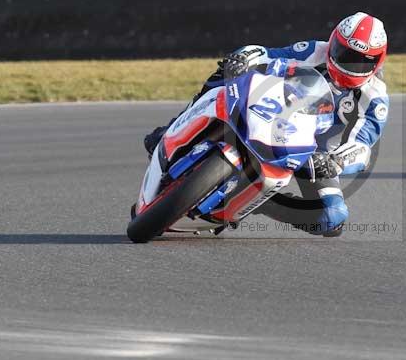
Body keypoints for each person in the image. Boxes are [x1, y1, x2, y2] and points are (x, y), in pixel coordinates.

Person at [144, 12, 390, 237]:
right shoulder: (316, 51)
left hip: (314, 155)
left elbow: (362, 147)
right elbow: (267, 53)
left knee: (331, 219)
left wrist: (335, 162)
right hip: (276, 113)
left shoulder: (374, 99)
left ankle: (260, 202)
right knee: (226, 73)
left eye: (360, 62)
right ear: (334, 41)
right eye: (343, 52)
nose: (347, 63)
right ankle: (174, 128)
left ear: (377, 62)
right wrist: (242, 58)